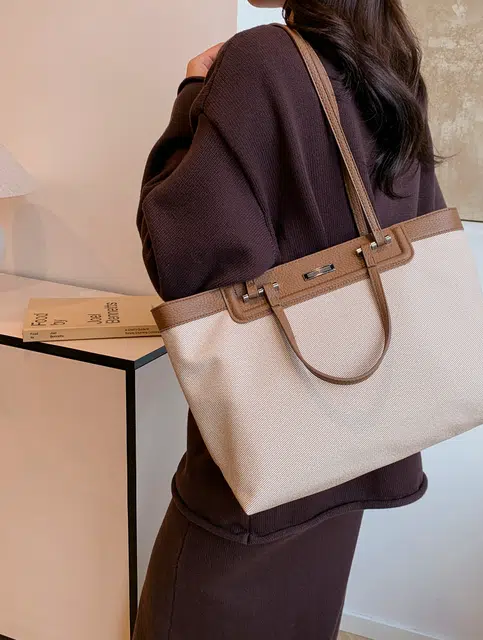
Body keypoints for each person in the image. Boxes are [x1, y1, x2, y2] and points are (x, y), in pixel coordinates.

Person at [133, 1, 445, 638]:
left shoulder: (261, 60)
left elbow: (186, 259)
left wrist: (192, 94)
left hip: (264, 456)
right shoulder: (388, 64)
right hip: (356, 439)